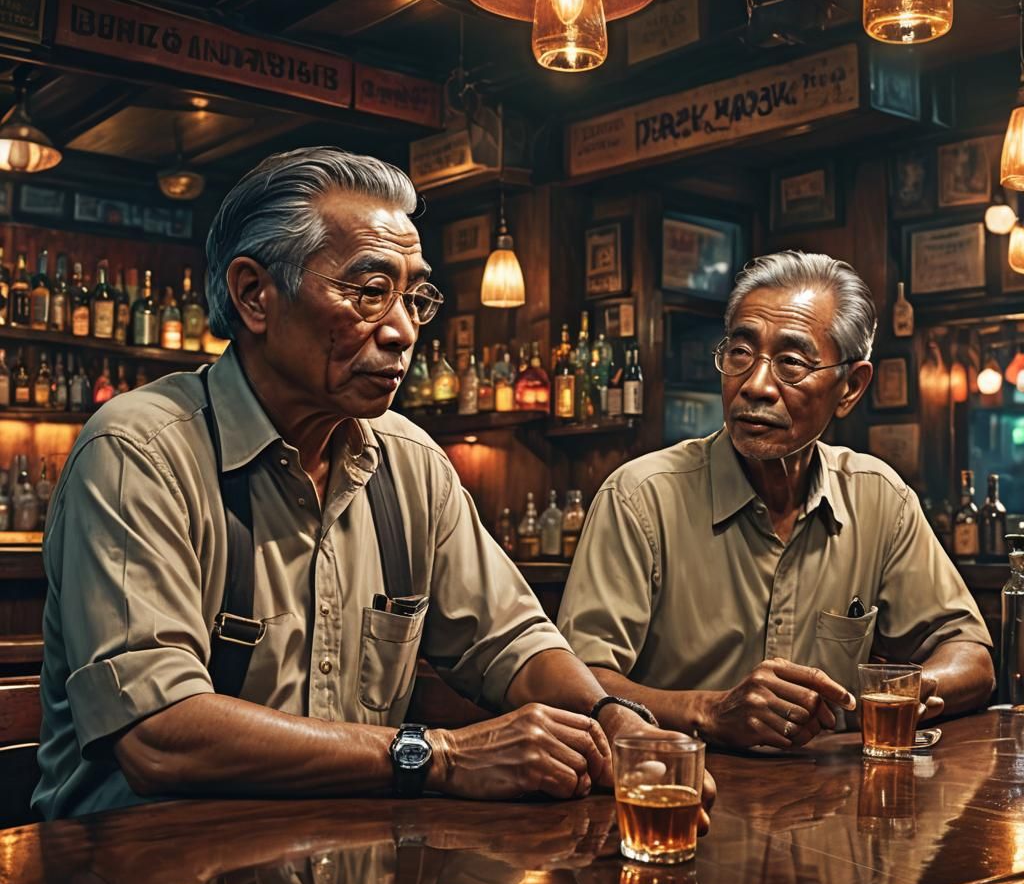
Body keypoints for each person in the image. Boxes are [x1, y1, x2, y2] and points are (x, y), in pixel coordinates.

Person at [33, 147, 715, 820]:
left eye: (414, 297)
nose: (401, 331)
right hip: (142, 881)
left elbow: (512, 641)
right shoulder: (140, 451)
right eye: (369, 292)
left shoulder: (408, 460)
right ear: (254, 295)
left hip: (347, 873)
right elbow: (158, 736)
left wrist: (615, 720)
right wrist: (439, 755)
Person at [558, 250, 995, 750]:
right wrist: (708, 710)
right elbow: (579, 688)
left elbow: (971, 657)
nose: (756, 385)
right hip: (679, 801)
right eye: (741, 353)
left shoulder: (879, 497)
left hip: (835, 810)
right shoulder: (641, 498)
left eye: (790, 362)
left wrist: (900, 693)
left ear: (850, 387)